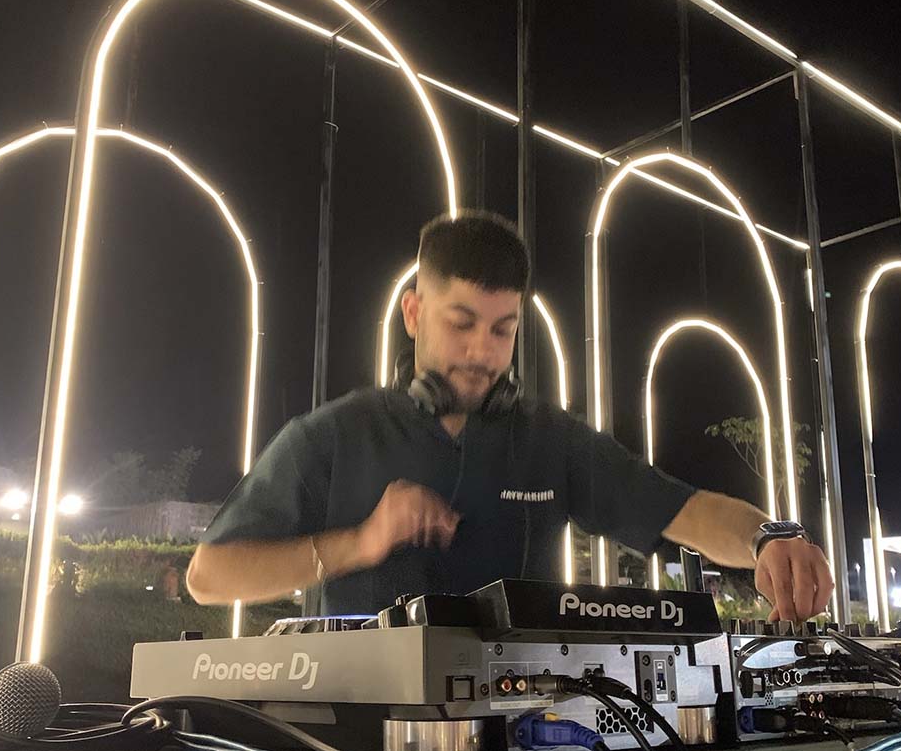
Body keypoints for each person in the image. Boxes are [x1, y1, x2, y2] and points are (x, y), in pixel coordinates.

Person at [187, 211, 833, 622]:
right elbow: (209, 575)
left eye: (502, 330)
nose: (482, 351)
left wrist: (769, 538)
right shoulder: (333, 435)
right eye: (461, 323)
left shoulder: (551, 440)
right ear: (413, 313)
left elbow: (685, 510)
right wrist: (360, 542)